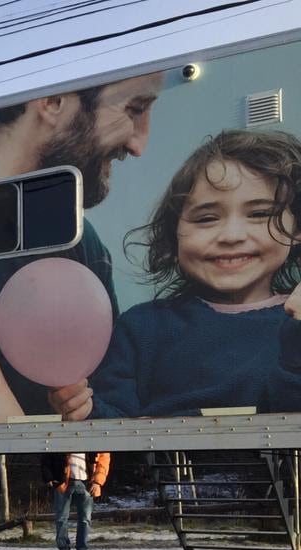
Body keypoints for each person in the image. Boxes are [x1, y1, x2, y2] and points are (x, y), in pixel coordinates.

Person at [0, 74, 164, 425]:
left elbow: (115, 391)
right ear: (53, 102)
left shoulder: (84, 241)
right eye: (134, 108)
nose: (139, 145)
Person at [51, 129, 301, 420]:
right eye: (207, 218)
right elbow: (114, 428)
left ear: (296, 230)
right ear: (174, 234)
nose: (232, 235)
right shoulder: (140, 327)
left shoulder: (295, 322)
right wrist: (84, 409)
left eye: (259, 214)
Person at [42, 452, 110, 550]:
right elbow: (47, 455)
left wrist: (97, 482)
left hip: (86, 482)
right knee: (61, 518)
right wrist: (49, 476)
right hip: (62, 481)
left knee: (85, 519)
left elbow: (103, 459)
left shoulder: (94, 437)